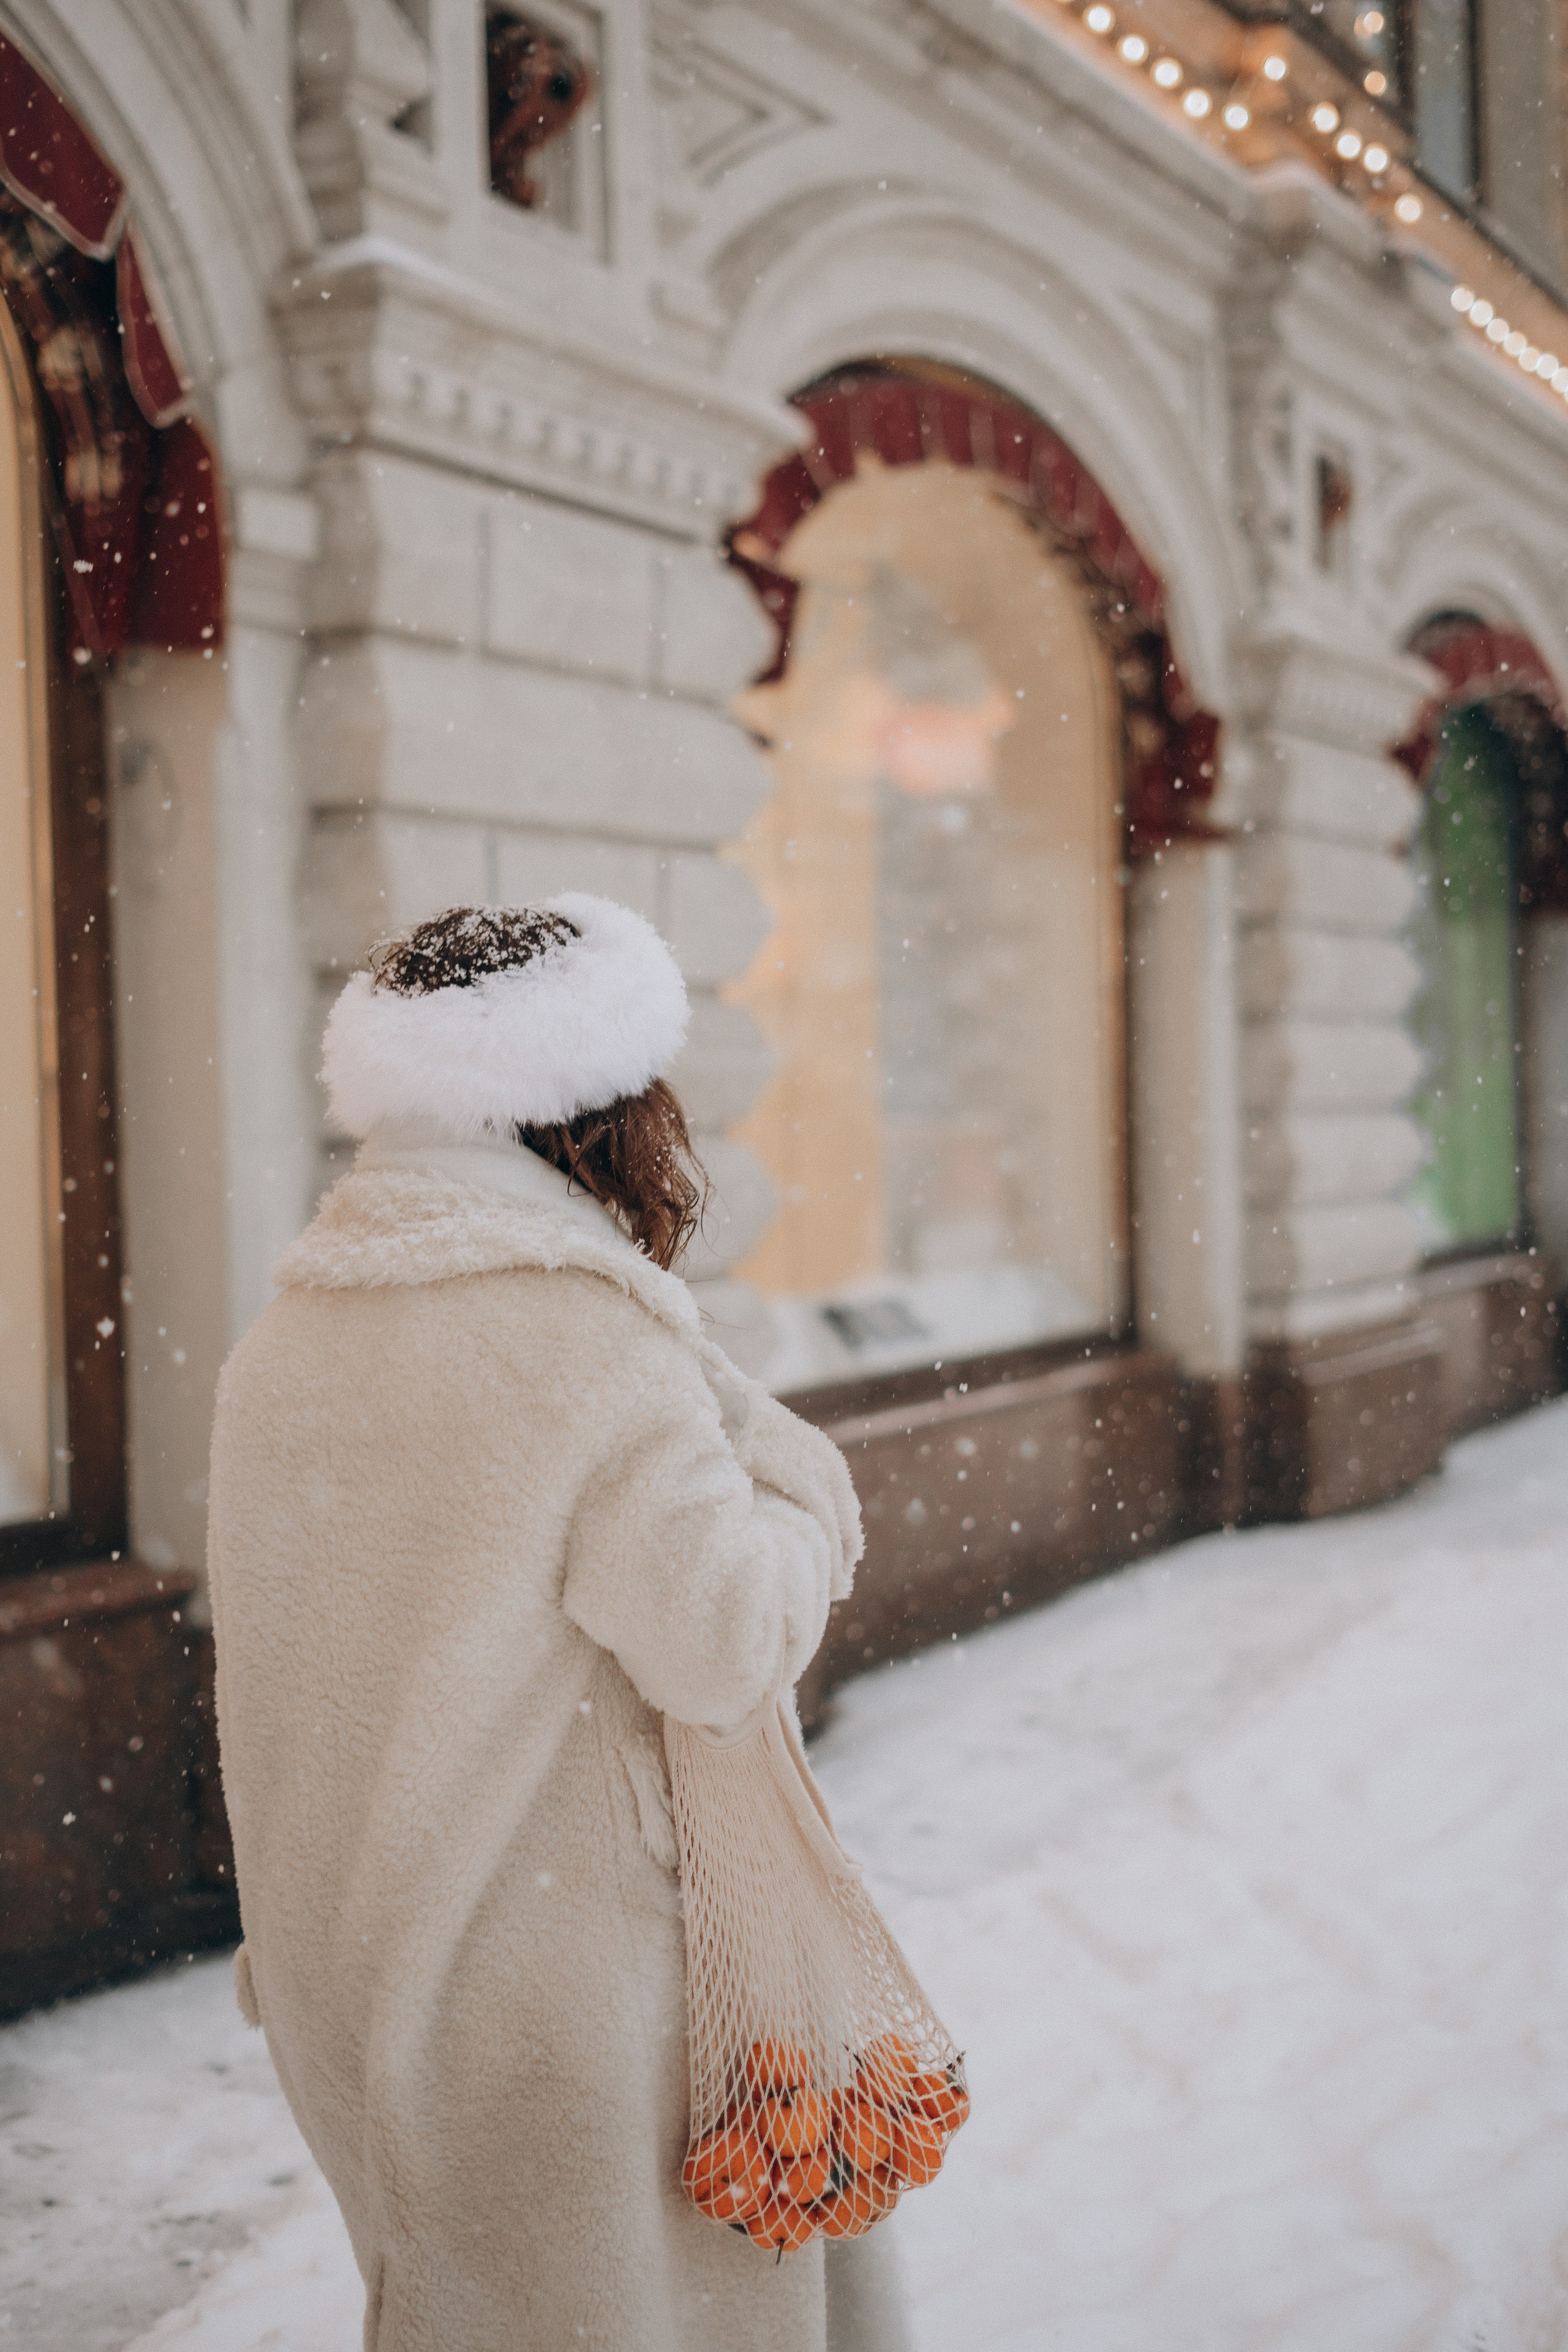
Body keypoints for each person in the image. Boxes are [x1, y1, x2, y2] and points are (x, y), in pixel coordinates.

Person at [208, 897, 913, 2352]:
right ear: (586, 1106)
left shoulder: (280, 1348)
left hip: (362, 1978)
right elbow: (725, 1642)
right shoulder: (581, 1339)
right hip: (581, 2006)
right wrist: (804, 1485)